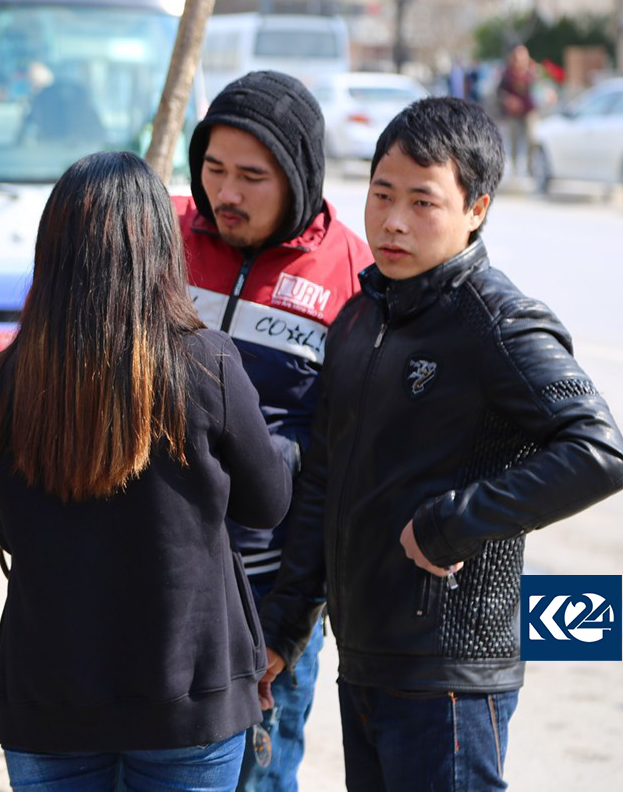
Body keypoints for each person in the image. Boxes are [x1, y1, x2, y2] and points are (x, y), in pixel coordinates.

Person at [258, 97, 623, 790]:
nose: (393, 221)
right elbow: (324, 482)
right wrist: (285, 627)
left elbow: (599, 453)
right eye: (381, 195)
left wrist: (450, 525)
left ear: (477, 208)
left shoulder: (495, 320)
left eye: (423, 202)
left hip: (451, 677)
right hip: (365, 661)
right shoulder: (360, 316)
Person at [0, 151, 292, 790]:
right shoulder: (205, 362)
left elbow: (14, 525)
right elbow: (268, 503)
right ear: (159, 250)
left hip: (50, 696)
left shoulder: (1, 383)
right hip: (188, 697)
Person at [175, 70, 372, 791]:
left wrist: (294, 619)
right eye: (214, 169)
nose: (225, 193)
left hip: (270, 598)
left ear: (298, 176)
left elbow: (344, 461)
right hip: (160, 582)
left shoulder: (354, 273)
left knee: (259, 776)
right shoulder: (161, 236)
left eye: (252, 177)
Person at [496, 44, 536, 179]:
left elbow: (541, 89)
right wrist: (509, 100)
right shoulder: (507, 74)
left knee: (532, 139)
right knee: (513, 141)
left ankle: (531, 169)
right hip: (513, 114)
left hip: (530, 111)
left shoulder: (532, 71)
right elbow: (499, 92)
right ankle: (514, 171)